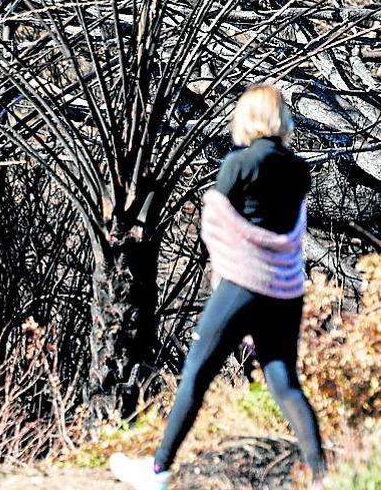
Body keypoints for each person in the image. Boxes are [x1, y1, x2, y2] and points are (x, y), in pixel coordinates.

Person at [110, 83, 327, 490]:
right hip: (285, 291)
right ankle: (321, 477)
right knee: (285, 383)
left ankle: (158, 469)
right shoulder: (300, 171)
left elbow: (218, 218)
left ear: (247, 118)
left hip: (241, 286)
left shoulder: (239, 163)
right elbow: (290, 228)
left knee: (196, 373)